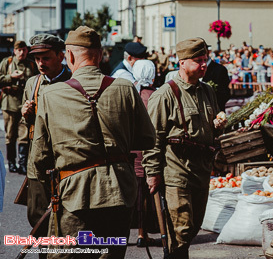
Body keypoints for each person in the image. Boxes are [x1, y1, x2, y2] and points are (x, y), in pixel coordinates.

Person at [31, 26, 156, 258]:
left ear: (68, 56)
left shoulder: (50, 95)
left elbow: (39, 155)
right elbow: (147, 138)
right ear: (100, 55)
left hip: (74, 193)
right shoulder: (125, 88)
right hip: (120, 190)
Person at [142, 37, 227, 258]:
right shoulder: (165, 95)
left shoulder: (207, 91)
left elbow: (210, 129)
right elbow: (152, 139)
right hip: (176, 172)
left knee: (193, 227)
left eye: (205, 60)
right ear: (182, 62)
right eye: (198, 60)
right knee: (179, 230)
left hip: (201, 171)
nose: (203, 65)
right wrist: (152, 173)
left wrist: (218, 126)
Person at [21, 34, 72, 257]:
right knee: (38, 218)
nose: (41, 63)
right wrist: (26, 114)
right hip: (38, 164)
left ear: (61, 56)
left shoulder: (73, 82)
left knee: (69, 218)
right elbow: (29, 125)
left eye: (46, 57)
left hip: (66, 161)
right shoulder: (33, 83)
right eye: (37, 58)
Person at [131, 59, 158, 247]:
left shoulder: (128, 92)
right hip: (148, 149)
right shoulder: (155, 96)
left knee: (131, 193)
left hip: (129, 149)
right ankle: (143, 232)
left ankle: (124, 233)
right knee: (146, 194)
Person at [0, 40, 37, 173]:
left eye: (24, 50)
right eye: (19, 50)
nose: (22, 52)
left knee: (24, 135)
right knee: (10, 135)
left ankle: (22, 163)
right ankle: (11, 162)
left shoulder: (32, 64)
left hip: (25, 104)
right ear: (15, 51)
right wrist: (11, 77)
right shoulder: (7, 63)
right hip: (10, 103)